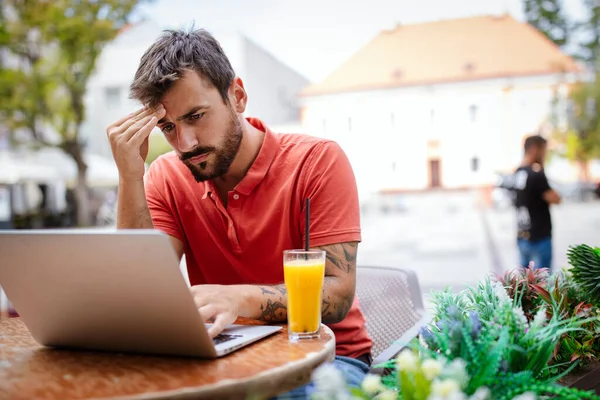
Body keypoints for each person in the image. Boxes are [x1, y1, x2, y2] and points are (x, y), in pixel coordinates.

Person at [106, 28, 373, 398]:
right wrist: (130, 177)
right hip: (223, 358)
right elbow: (139, 291)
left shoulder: (318, 161)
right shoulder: (166, 176)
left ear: (238, 96)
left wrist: (238, 299)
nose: (185, 143)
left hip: (328, 357)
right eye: (168, 127)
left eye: (196, 116)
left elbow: (338, 294)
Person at [509, 135, 561, 271]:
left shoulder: (517, 173)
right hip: (540, 237)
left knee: (524, 286)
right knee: (541, 286)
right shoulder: (536, 174)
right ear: (534, 149)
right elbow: (556, 199)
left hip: (522, 235)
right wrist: (542, 169)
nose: (545, 155)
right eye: (543, 150)